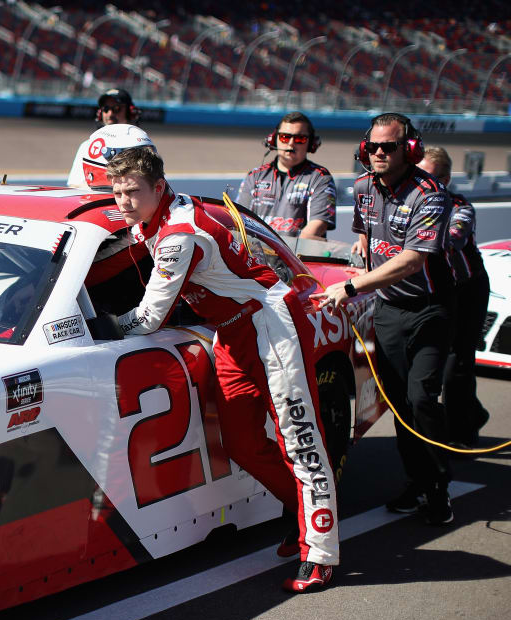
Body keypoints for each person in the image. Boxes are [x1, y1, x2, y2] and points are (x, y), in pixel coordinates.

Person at [104, 124, 341, 593]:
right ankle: (300, 517)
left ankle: (322, 552)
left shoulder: (177, 234)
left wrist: (103, 326)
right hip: (231, 333)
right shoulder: (155, 216)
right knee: (241, 442)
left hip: (270, 326)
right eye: (117, 192)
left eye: (132, 192)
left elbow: (150, 317)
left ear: (159, 187)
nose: (123, 202)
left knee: (300, 439)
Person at [322, 114, 455, 525]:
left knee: (421, 399)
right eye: (373, 147)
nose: (379, 153)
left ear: (409, 149)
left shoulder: (430, 194)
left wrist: (351, 287)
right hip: (389, 310)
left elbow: (413, 261)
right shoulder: (362, 186)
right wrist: (361, 256)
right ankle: (416, 480)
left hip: (430, 308)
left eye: (389, 147)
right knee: (398, 405)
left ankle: (438, 486)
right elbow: (364, 231)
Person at [419, 146, 491, 446]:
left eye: (431, 177)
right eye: (418, 176)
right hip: (434, 289)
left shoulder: (461, 207)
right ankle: (471, 413)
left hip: (467, 290)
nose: (424, 184)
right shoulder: (409, 204)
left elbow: (455, 238)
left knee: (456, 365)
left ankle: (462, 434)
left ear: (446, 179)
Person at [236, 111, 336, 239]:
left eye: (300, 138)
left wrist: (285, 254)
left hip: (295, 257)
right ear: (273, 140)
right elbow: (239, 219)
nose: (291, 143)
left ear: (311, 144)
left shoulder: (321, 178)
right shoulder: (255, 176)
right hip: (257, 255)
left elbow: (318, 225)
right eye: (285, 137)